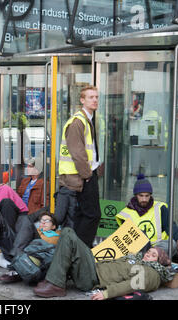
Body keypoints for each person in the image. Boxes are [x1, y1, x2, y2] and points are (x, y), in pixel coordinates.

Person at [33, 227, 175, 300]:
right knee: (65, 238)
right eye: (149, 252)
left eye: (153, 255)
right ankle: (52, 280)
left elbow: (133, 284)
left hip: (93, 278)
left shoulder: (152, 273)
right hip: (93, 269)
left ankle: (55, 285)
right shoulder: (138, 259)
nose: (148, 255)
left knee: (69, 234)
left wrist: (107, 294)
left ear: (159, 261)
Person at [57, 85, 102, 248]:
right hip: (81, 177)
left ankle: (77, 250)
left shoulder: (86, 119)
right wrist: (88, 175)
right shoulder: (78, 121)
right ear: (82, 100)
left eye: (96, 97)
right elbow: (77, 152)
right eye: (91, 97)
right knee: (92, 215)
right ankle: (80, 250)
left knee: (83, 215)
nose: (95, 100)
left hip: (85, 174)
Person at [115, 174, 178, 256]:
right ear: (135, 196)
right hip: (138, 248)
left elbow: (171, 227)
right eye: (141, 196)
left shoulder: (160, 208)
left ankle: (148, 256)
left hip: (157, 247)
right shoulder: (126, 213)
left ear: (150, 195)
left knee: (171, 244)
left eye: (147, 196)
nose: (144, 199)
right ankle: (144, 257)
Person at [0, 212, 60, 283]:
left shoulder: (57, 236)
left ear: (53, 226)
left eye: (47, 221)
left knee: (25, 219)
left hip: (38, 254)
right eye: (41, 221)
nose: (43, 223)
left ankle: (15, 266)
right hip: (23, 250)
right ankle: (17, 262)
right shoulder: (33, 230)